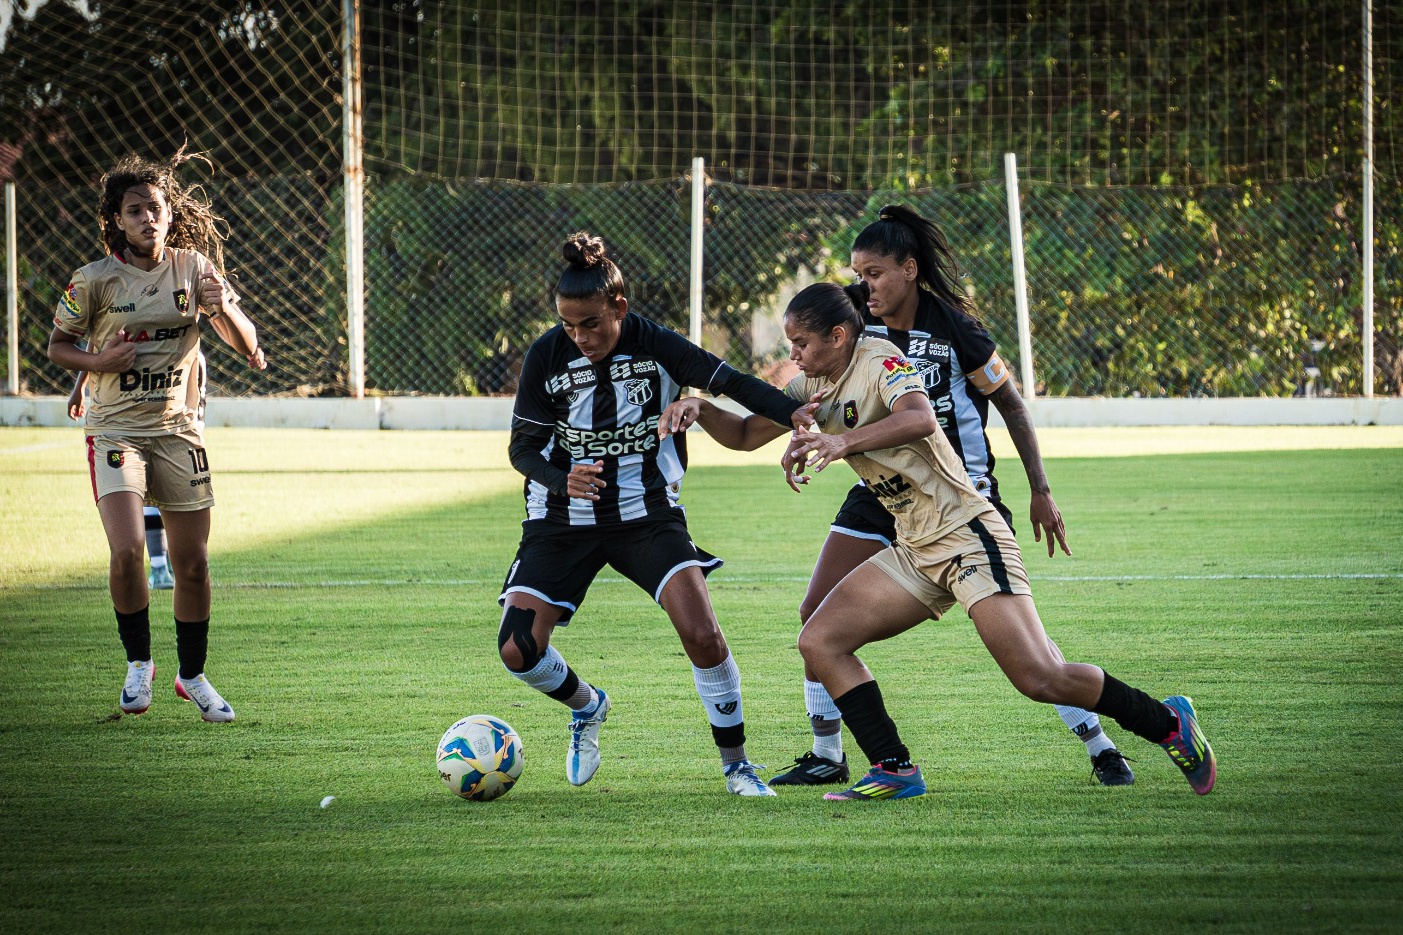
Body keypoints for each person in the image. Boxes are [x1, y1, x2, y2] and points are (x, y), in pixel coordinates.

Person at [668, 281, 1215, 801]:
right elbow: (743, 435)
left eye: (802, 343)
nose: (796, 355)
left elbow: (921, 417)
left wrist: (842, 441)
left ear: (838, 336)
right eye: (791, 345)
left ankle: (1168, 723)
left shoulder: (880, 359)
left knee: (1038, 677)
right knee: (820, 639)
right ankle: (893, 767)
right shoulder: (810, 386)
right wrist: (703, 410)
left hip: (967, 535)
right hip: (914, 547)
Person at [763, 204, 1132, 788]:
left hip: (957, 492)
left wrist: (1040, 489)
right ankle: (828, 751)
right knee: (816, 618)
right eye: (858, 276)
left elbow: (1011, 405)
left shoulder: (957, 329)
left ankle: (1100, 742)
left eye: (875, 274)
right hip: (879, 488)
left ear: (910, 269)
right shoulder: (853, 324)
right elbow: (805, 381)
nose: (865, 286)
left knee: (1021, 642)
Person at [498, 231, 814, 796]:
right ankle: (587, 706)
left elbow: (736, 386)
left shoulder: (657, 344)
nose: (580, 337)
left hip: (646, 512)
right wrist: (559, 478)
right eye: (569, 325)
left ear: (618, 308)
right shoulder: (546, 355)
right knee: (519, 649)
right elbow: (521, 449)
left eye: (590, 324)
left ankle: (738, 766)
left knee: (703, 634)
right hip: (559, 517)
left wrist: (796, 417)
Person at [47, 149, 266, 722]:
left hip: (178, 433)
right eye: (136, 210)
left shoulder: (194, 270)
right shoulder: (92, 281)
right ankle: (138, 663)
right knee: (128, 550)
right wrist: (98, 360)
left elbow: (250, 350)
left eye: (157, 208)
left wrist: (224, 311)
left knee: (192, 563)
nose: (149, 218)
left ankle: (191, 675)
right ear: (117, 220)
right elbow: (57, 347)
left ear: (170, 215)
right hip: (115, 429)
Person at [68, 371, 174, 590]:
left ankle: (161, 567)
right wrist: (80, 387)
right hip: (129, 433)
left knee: (155, 498)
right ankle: (164, 567)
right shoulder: (189, 350)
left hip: (155, 427)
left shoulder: (180, 348)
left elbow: (92, 347)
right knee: (153, 498)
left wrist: (79, 387)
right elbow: (85, 346)